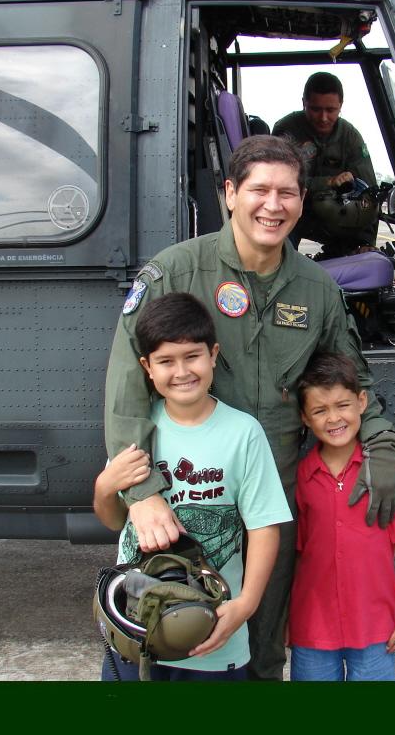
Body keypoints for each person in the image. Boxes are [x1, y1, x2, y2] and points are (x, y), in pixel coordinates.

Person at [95, 134, 395, 681]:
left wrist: (379, 443)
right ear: (230, 194)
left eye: (287, 193)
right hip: (185, 501)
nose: (274, 205)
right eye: (259, 189)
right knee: (162, 638)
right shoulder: (174, 273)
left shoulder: (317, 290)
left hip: (272, 501)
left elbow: (352, 380)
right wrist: (141, 497)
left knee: (262, 646)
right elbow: (128, 391)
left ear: (301, 203)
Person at [96, 292, 291, 681]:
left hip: (213, 637)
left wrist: (247, 604)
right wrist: (105, 486)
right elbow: (113, 518)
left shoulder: (243, 433)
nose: (182, 371)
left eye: (192, 356)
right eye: (166, 361)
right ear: (146, 367)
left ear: (213, 355)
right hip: (136, 635)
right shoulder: (135, 431)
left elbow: (264, 526)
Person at [288, 352, 395, 681]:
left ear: (362, 401)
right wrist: (284, 620)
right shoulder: (301, 477)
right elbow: (294, 555)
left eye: (342, 405)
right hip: (312, 627)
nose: (333, 418)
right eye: (320, 410)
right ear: (305, 417)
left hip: (375, 627)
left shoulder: (389, 473)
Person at [272, 72, 378, 257]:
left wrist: (365, 243)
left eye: (330, 110)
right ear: (303, 102)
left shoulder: (350, 137)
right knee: (277, 254)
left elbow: (368, 195)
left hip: (334, 216)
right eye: (315, 109)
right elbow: (280, 182)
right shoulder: (287, 130)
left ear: (340, 106)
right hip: (292, 212)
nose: (323, 118)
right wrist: (327, 182)